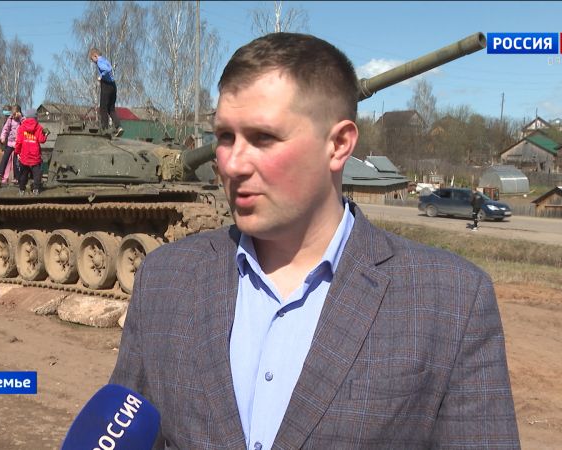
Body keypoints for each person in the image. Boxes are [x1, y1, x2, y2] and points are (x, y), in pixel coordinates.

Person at [110, 33, 520, 448]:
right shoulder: (165, 279)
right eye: (225, 137)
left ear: (338, 145)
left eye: (264, 137)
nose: (232, 165)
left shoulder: (450, 300)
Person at [89, 48, 123, 137]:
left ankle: (105, 129)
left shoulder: (100, 62)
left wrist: (101, 76)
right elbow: (110, 68)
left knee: (103, 108)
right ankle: (118, 127)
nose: (93, 62)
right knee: (111, 109)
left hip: (106, 86)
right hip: (113, 86)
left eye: (92, 60)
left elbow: (107, 69)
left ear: (95, 56)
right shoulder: (105, 60)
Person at [15, 108, 48, 195]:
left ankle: (21, 189)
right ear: (35, 117)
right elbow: (41, 140)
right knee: (37, 174)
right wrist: (45, 135)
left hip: (24, 156)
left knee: (23, 174)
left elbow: (18, 142)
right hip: (35, 157)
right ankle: (36, 189)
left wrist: (17, 152)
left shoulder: (21, 127)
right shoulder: (39, 127)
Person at [0, 105, 23, 185]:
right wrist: (3, 137)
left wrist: (21, 118)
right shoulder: (10, 120)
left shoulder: (22, 120)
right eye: (12, 114)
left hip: (18, 144)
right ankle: (0, 173)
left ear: (19, 113)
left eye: (15, 114)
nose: (13, 116)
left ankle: (16, 178)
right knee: (5, 157)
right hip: (10, 143)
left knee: (16, 161)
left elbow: (26, 125)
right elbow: (5, 129)